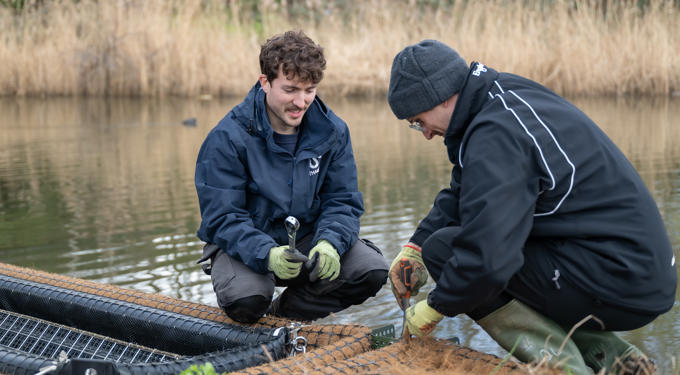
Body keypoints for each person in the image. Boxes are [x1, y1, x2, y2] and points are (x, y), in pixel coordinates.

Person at [386, 39, 677, 375]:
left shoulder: (495, 135)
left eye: (419, 121)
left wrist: (436, 306)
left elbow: (489, 260)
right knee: (440, 246)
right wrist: (415, 246)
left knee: (452, 254)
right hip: (635, 268)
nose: (424, 134)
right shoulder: (500, 96)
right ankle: (617, 362)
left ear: (442, 97)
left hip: (621, 278)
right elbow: (468, 190)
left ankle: (564, 368)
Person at [194, 30, 388, 324]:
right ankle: (257, 310)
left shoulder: (334, 132)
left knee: (371, 271)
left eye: (310, 90)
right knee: (246, 301)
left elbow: (343, 201)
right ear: (265, 83)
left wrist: (330, 243)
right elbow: (223, 217)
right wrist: (266, 254)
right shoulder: (227, 138)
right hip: (246, 242)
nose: (301, 101)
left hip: (308, 238)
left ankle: (283, 317)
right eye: (290, 90)